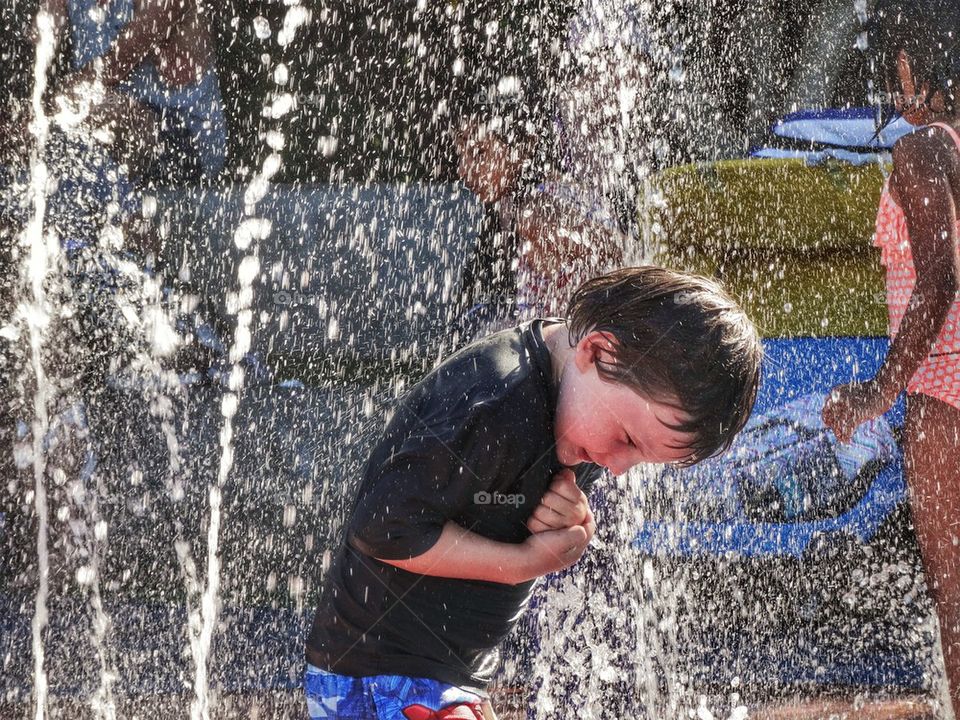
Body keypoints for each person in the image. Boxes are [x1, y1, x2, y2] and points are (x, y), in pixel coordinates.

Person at [305, 266, 763, 719]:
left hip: (442, 679)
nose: (619, 467)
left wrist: (572, 520)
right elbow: (382, 528)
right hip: (381, 676)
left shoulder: (580, 403)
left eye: (641, 458)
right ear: (596, 351)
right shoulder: (495, 400)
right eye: (626, 439)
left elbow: (511, 507)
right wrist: (526, 563)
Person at [821, 0, 960, 712]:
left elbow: (940, 276)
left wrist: (879, 390)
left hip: (946, 390)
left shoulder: (922, 149)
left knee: (956, 598)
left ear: (911, 69)